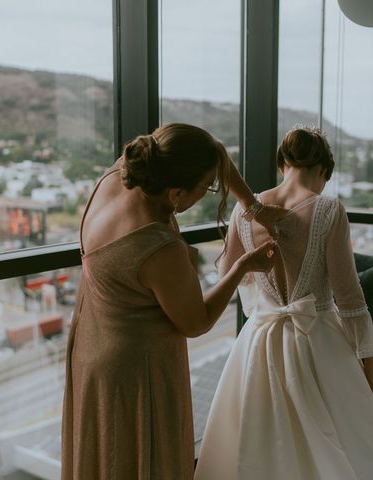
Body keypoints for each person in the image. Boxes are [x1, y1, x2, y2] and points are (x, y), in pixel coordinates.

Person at [61, 123, 284, 479]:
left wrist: (252, 205)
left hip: (91, 345)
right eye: (206, 188)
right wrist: (243, 265)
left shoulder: (124, 173)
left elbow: (216, 153)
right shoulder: (160, 249)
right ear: (177, 193)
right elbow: (196, 322)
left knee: (105, 456)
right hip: (137, 370)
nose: (210, 193)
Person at [195, 126, 373, 479]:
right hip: (317, 339)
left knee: (258, 440)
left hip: (259, 339)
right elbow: (348, 295)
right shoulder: (327, 209)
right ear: (323, 172)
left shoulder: (245, 209)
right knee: (346, 445)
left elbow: (230, 271)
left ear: (283, 164)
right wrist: (369, 359)